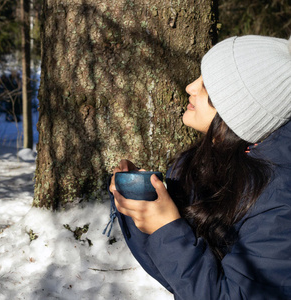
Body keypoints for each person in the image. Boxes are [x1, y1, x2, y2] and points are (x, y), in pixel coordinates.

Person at [108, 35, 291, 299]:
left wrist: (166, 228)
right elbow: (183, 280)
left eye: (208, 87)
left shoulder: (281, 205)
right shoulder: (224, 163)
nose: (190, 86)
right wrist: (148, 209)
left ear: (240, 110)